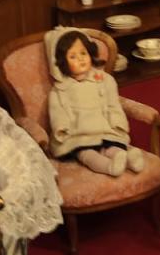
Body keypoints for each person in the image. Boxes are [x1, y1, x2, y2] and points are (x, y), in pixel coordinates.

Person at [47, 29, 145, 177]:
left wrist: (117, 122)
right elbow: (57, 112)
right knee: (86, 153)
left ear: (90, 53)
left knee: (111, 146)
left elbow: (113, 104)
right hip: (77, 134)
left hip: (103, 129)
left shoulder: (104, 80)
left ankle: (129, 159)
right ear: (62, 62)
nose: (80, 59)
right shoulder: (60, 89)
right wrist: (61, 128)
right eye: (73, 56)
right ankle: (109, 167)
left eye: (83, 53)